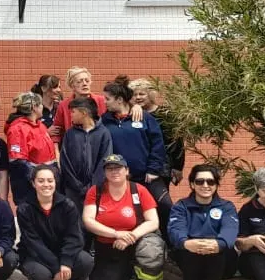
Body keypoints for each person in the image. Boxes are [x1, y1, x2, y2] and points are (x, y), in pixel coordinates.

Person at [83, 153, 166, 280]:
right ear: (105, 172)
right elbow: (88, 220)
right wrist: (116, 234)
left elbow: (153, 222)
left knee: (151, 247)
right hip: (110, 245)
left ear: (127, 170)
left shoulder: (139, 190)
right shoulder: (95, 191)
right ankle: (126, 274)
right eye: (110, 168)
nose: (114, 171)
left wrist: (130, 237)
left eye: (118, 168)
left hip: (136, 240)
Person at [101, 76, 171, 237]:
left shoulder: (144, 117)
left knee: (165, 206)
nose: (104, 102)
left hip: (147, 176)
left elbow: (157, 144)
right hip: (120, 179)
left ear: (119, 100)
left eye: (107, 99)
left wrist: (153, 169)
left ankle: (171, 248)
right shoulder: (105, 121)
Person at [16, 165, 92, 280]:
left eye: (50, 181)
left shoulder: (68, 205)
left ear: (55, 182)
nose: (46, 185)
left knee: (85, 260)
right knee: (41, 276)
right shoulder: (24, 208)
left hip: (61, 252)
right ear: (33, 183)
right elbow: (33, 242)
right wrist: (56, 267)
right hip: (34, 255)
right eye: (41, 181)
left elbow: (74, 237)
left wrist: (66, 262)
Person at [168, 164, 240, 280]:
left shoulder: (226, 207)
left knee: (220, 246)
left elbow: (230, 230)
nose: (205, 185)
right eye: (200, 181)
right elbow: (175, 229)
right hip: (190, 259)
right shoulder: (181, 206)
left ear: (216, 185)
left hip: (219, 263)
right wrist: (187, 243)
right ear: (192, 184)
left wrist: (218, 244)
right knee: (184, 246)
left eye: (210, 182)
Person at [58, 96, 111, 213]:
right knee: (74, 221)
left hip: (96, 189)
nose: (70, 115)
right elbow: (65, 161)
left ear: (84, 113)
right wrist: (76, 185)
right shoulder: (70, 134)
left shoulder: (103, 133)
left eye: (73, 112)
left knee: (94, 218)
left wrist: (92, 186)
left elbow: (104, 161)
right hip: (73, 190)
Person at [4, 91, 57, 208]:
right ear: (34, 107)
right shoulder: (18, 129)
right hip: (29, 190)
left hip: (43, 186)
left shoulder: (40, 126)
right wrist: (39, 180)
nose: (43, 107)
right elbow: (18, 163)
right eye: (41, 104)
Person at [130, 78, 185, 185]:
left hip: (162, 166)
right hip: (139, 166)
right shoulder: (131, 114)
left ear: (150, 95)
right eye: (134, 95)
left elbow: (177, 142)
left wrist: (177, 167)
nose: (138, 97)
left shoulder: (165, 114)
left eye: (142, 94)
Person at [49, 66, 106, 144]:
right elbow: (56, 134)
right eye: (80, 81)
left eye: (87, 81)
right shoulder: (64, 106)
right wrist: (56, 152)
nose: (84, 84)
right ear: (72, 85)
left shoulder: (102, 101)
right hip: (74, 147)